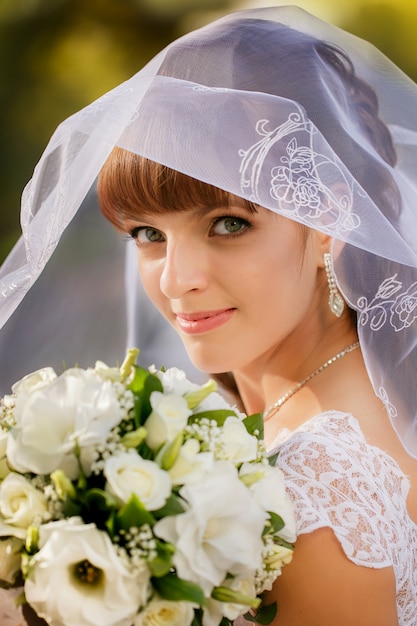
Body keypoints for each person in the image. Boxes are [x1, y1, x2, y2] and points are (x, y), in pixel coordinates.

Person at [1, 5, 417, 626]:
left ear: (329, 217)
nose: (176, 280)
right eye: (147, 233)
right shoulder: (330, 407)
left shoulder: (313, 492)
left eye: (229, 224)